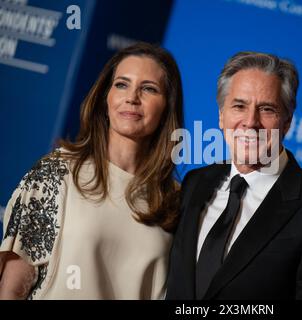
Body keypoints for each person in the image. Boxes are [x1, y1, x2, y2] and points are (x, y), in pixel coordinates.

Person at [0, 42, 183, 299]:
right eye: (122, 84)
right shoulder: (57, 172)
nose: (132, 97)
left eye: (149, 89)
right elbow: (12, 287)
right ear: (105, 97)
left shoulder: (176, 200)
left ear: (167, 107)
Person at [166, 51, 302, 300]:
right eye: (239, 106)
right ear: (221, 116)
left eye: (267, 109)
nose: (250, 121)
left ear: (287, 122)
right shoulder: (195, 183)